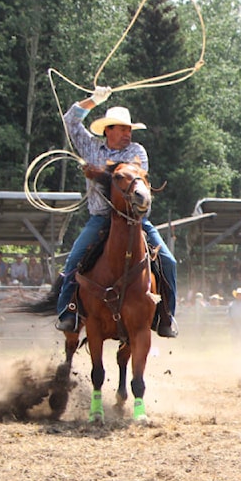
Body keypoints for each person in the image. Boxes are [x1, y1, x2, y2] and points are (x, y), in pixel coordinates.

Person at [55, 86, 179, 337]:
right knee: (74, 259)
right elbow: (70, 120)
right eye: (122, 128)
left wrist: (98, 174)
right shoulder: (92, 148)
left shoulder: (137, 152)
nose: (127, 133)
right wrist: (93, 100)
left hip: (134, 221)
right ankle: (67, 311)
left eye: (129, 128)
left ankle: (166, 315)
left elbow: (130, 179)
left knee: (168, 260)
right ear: (108, 130)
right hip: (101, 218)